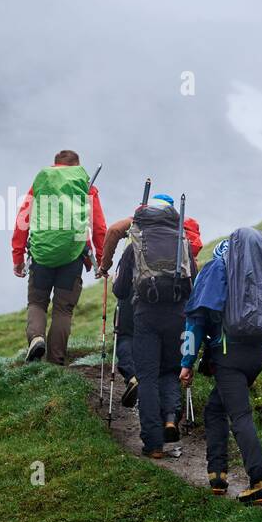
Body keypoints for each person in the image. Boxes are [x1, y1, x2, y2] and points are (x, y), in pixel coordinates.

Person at [179, 228, 262, 504]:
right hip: (256, 353)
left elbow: (195, 320)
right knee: (215, 409)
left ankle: (259, 481)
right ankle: (217, 474)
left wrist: (187, 362)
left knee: (240, 415)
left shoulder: (218, 267)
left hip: (228, 354)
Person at [99, 194, 192, 457]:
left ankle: (153, 444)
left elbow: (119, 290)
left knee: (148, 377)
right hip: (177, 314)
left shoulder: (137, 242)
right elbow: (191, 280)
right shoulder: (181, 241)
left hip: (146, 316)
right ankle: (171, 418)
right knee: (171, 369)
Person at [12, 150, 106, 366]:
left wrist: (18, 257)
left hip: (41, 254)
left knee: (37, 302)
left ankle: (36, 338)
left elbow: (22, 221)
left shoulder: (41, 184)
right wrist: (101, 259)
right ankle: (55, 361)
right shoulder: (86, 186)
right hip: (73, 256)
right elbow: (98, 226)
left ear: (55, 165)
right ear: (77, 166)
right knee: (63, 309)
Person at [110, 215, 201, 409]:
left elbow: (112, 231)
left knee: (126, 335)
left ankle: (133, 375)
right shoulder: (179, 233)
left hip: (136, 292)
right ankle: (167, 409)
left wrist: (106, 266)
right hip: (173, 300)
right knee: (163, 348)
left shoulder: (137, 226)